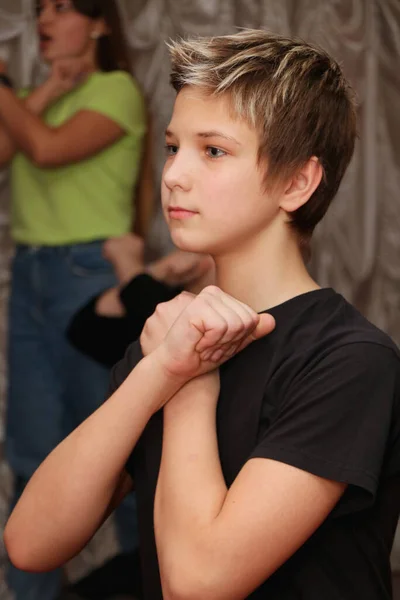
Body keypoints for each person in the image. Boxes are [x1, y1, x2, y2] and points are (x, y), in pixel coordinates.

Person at [5, 29, 400, 600]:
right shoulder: (164, 343)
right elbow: (30, 542)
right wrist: (157, 372)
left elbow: (197, 584)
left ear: (297, 182)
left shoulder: (350, 361)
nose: (173, 176)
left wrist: (189, 383)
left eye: (212, 150)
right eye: (172, 147)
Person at [0, 1, 148, 599]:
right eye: (39, 10)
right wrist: (31, 94)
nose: (43, 19)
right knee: (31, 448)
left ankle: (152, 584)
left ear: (100, 23)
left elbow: (48, 150)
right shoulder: (42, 94)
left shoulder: (116, 90)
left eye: (60, 7)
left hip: (92, 279)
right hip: (32, 272)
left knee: (121, 453)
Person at [67, 232, 215, 367]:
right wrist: (158, 271)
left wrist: (127, 262)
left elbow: (172, 331)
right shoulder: (169, 298)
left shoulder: (219, 319)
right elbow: (84, 329)